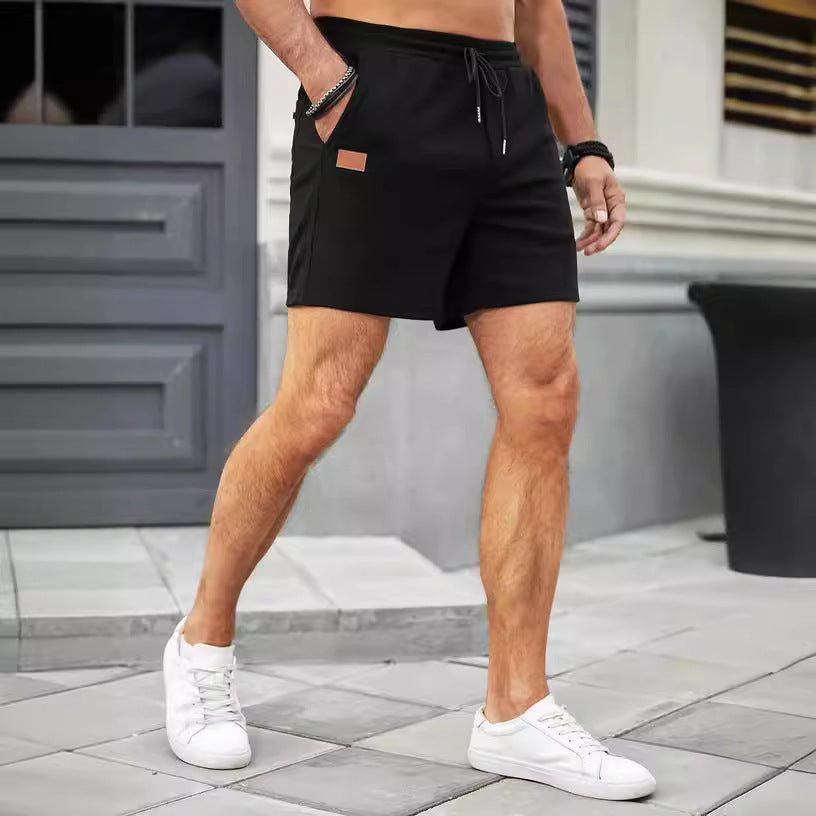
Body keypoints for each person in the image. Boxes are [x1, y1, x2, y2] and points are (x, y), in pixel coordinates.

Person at [163, 0, 655, 802]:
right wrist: (325, 79)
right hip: (373, 84)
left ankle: (516, 708)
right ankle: (202, 643)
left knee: (545, 398)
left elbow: (539, 10)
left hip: (508, 110)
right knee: (320, 401)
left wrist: (585, 144)